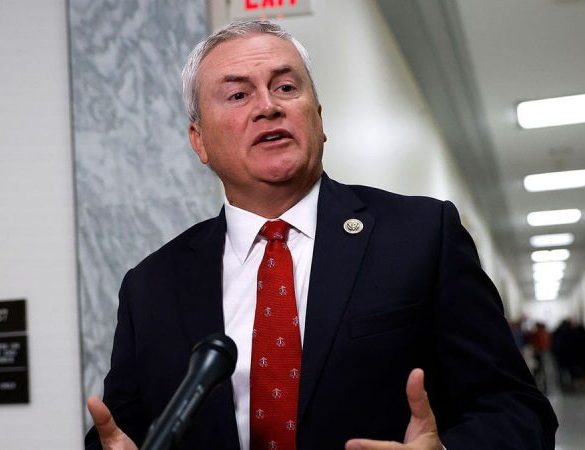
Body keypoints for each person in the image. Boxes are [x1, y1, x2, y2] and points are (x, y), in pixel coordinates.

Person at [85, 19, 557, 450]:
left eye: (286, 87)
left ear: (319, 117)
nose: (267, 107)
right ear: (199, 141)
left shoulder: (421, 236)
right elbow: (120, 434)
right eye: (238, 95)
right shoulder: (151, 286)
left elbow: (518, 410)